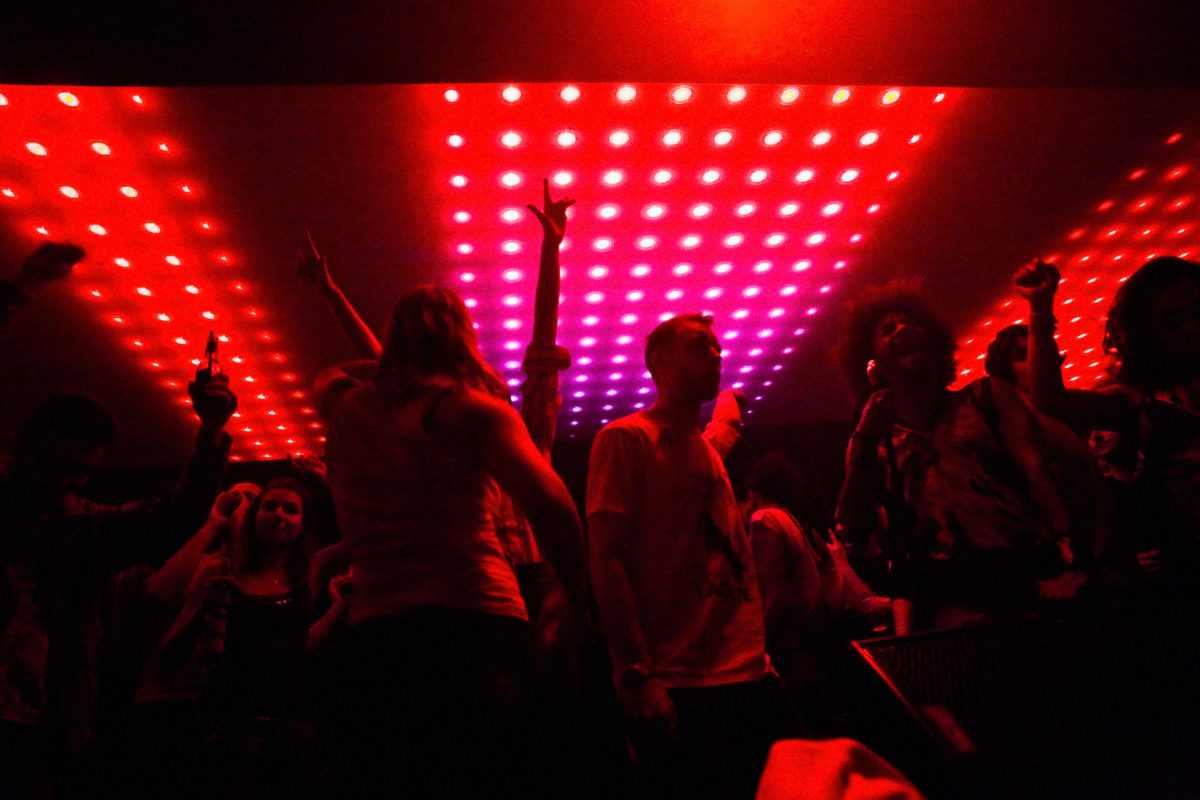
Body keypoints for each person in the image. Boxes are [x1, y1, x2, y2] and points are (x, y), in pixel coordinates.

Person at [316, 283, 587, 797]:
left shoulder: (346, 411)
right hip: (474, 624)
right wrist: (577, 602)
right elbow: (554, 508)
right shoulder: (474, 413)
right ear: (462, 338)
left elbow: (328, 375)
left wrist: (391, 366)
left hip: (375, 632)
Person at [587, 313, 792, 800]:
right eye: (701, 345)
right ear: (657, 360)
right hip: (679, 679)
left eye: (719, 347)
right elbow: (606, 557)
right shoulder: (627, 438)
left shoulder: (706, 451)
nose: (718, 354)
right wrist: (636, 675)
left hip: (746, 671)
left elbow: (726, 426)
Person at [833, 282, 1088, 633]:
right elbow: (853, 530)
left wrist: (1072, 560)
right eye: (888, 330)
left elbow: (1037, 470)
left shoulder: (986, 397)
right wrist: (864, 437)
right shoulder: (874, 441)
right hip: (953, 606)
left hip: (1032, 582)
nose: (904, 329)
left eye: (910, 323)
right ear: (871, 364)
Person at [1015, 256, 1200, 603]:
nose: (1192, 328)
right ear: (1151, 333)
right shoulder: (1134, 396)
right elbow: (1050, 398)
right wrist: (1039, 311)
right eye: (1173, 322)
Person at [742, 453, 889, 734]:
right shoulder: (800, 524)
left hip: (790, 648)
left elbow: (775, 597)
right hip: (820, 645)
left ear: (753, 494)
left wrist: (757, 648)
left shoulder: (765, 519)